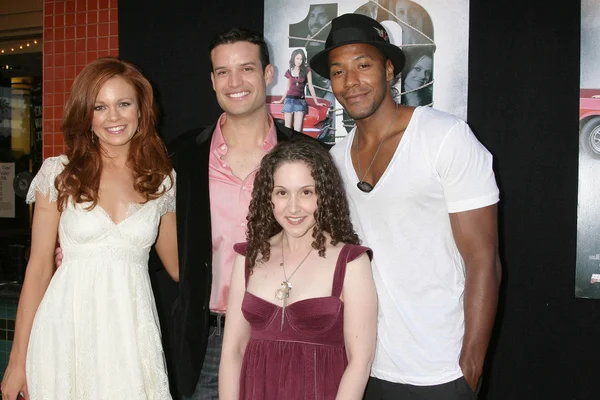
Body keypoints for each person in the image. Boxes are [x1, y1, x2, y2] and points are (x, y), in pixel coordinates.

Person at [310, 13, 502, 399]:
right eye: (339, 71)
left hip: (442, 368)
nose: (352, 82)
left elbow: (484, 258)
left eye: (363, 65)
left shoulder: (444, 137)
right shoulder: (334, 159)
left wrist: (472, 362)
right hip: (365, 364)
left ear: (389, 69)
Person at [0, 57, 178, 399]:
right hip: (65, 331)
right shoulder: (59, 174)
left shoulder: (163, 181)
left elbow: (178, 266)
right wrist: (17, 360)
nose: (114, 116)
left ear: (141, 110)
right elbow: (38, 269)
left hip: (131, 338)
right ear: (87, 115)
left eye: (123, 104)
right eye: (100, 107)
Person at [164, 28, 323, 399]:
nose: (234, 82)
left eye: (246, 69)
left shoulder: (308, 154)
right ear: (212, 80)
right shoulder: (182, 155)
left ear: (268, 74)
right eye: (223, 72)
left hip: (285, 332)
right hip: (207, 339)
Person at [218, 139, 377, 399]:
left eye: (306, 192)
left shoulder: (351, 262)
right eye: (282, 193)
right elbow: (233, 350)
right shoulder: (248, 257)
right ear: (268, 197)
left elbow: (360, 362)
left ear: (324, 195)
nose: (293, 207)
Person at [273, 49, 323, 132]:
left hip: (300, 102)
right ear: (293, 59)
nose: (299, 61)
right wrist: (281, 100)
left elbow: (311, 87)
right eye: (297, 58)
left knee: (297, 132)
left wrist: (316, 102)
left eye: (301, 59)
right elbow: (288, 88)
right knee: (287, 131)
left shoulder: (307, 70)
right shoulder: (289, 71)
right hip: (289, 101)